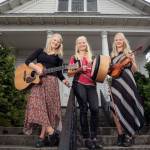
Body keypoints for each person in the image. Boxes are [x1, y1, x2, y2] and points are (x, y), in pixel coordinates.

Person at [23, 33, 70, 148]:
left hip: (52, 83)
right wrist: (36, 67)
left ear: (60, 44)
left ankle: (41, 138)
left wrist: (65, 81)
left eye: (58, 41)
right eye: (54, 40)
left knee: (48, 110)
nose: (56, 42)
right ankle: (52, 132)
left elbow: (59, 74)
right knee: (36, 105)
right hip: (38, 82)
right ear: (50, 40)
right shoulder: (40, 51)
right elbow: (28, 61)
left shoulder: (58, 58)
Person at [109, 32, 144, 147]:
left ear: (124, 41)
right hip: (116, 84)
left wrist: (132, 60)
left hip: (128, 82)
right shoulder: (112, 56)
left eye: (120, 39)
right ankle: (120, 134)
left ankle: (129, 135)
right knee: (114, 108)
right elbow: (110, 73)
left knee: (129, 105)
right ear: (114, 42)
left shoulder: (129, 53)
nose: (118, 41)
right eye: (116, 40)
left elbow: (134, 70)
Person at [68, 36, 102, 150]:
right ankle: (86, 138)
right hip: (79, 83)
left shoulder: (92, 58)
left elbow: (98, 71)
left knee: (95, 109)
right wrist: (79, 69)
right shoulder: (74, 58)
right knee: (83, 108)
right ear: (77, 45)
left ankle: (94, 137)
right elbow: (70, 72)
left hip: (91, 85)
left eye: (84, 42)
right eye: (80, 42)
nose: (82, 44)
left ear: (86, 44)